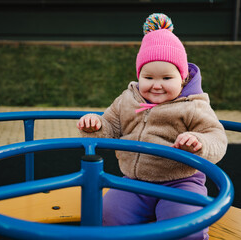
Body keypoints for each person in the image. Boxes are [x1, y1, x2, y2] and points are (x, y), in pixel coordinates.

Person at [76, 13, 228, 240]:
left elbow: (216, 136)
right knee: (106, 215)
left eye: (167, 78)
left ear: (183, 78)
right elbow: (110, 126)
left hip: (181, 183)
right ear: (139, 76)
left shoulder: (193, 106)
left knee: (186, 225)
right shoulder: (128, 99)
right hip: (134, 182)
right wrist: (95, 126)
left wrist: (200, 143)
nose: (156, 85)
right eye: (148, 77)